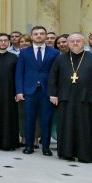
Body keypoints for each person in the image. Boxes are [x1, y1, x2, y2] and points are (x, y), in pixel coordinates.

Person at [48, 33, 92, 163]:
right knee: (66, 126)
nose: (75, 43)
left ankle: (85, 155)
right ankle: (66, 153)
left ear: (83, 43)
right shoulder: (60, 59)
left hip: (87, 98)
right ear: (68, 43)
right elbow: (52, 77)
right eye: (72, 41)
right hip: (65, 98)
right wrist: (52, 94)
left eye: (78, 41)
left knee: (86, 126)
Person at [16, 26, 58, 156]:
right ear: (32, 36)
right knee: (29, 119)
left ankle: (46, 147)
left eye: (41, 34)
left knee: (47, 120)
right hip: (29, 91)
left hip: (47, 91)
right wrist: (19, 91)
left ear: (45, 36)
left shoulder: (54, 53)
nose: (39, 36)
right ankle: (29, 146)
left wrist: (54, 92)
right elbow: (19, 73)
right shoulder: (24, 52)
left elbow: (56, 74)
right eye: (36, 34)